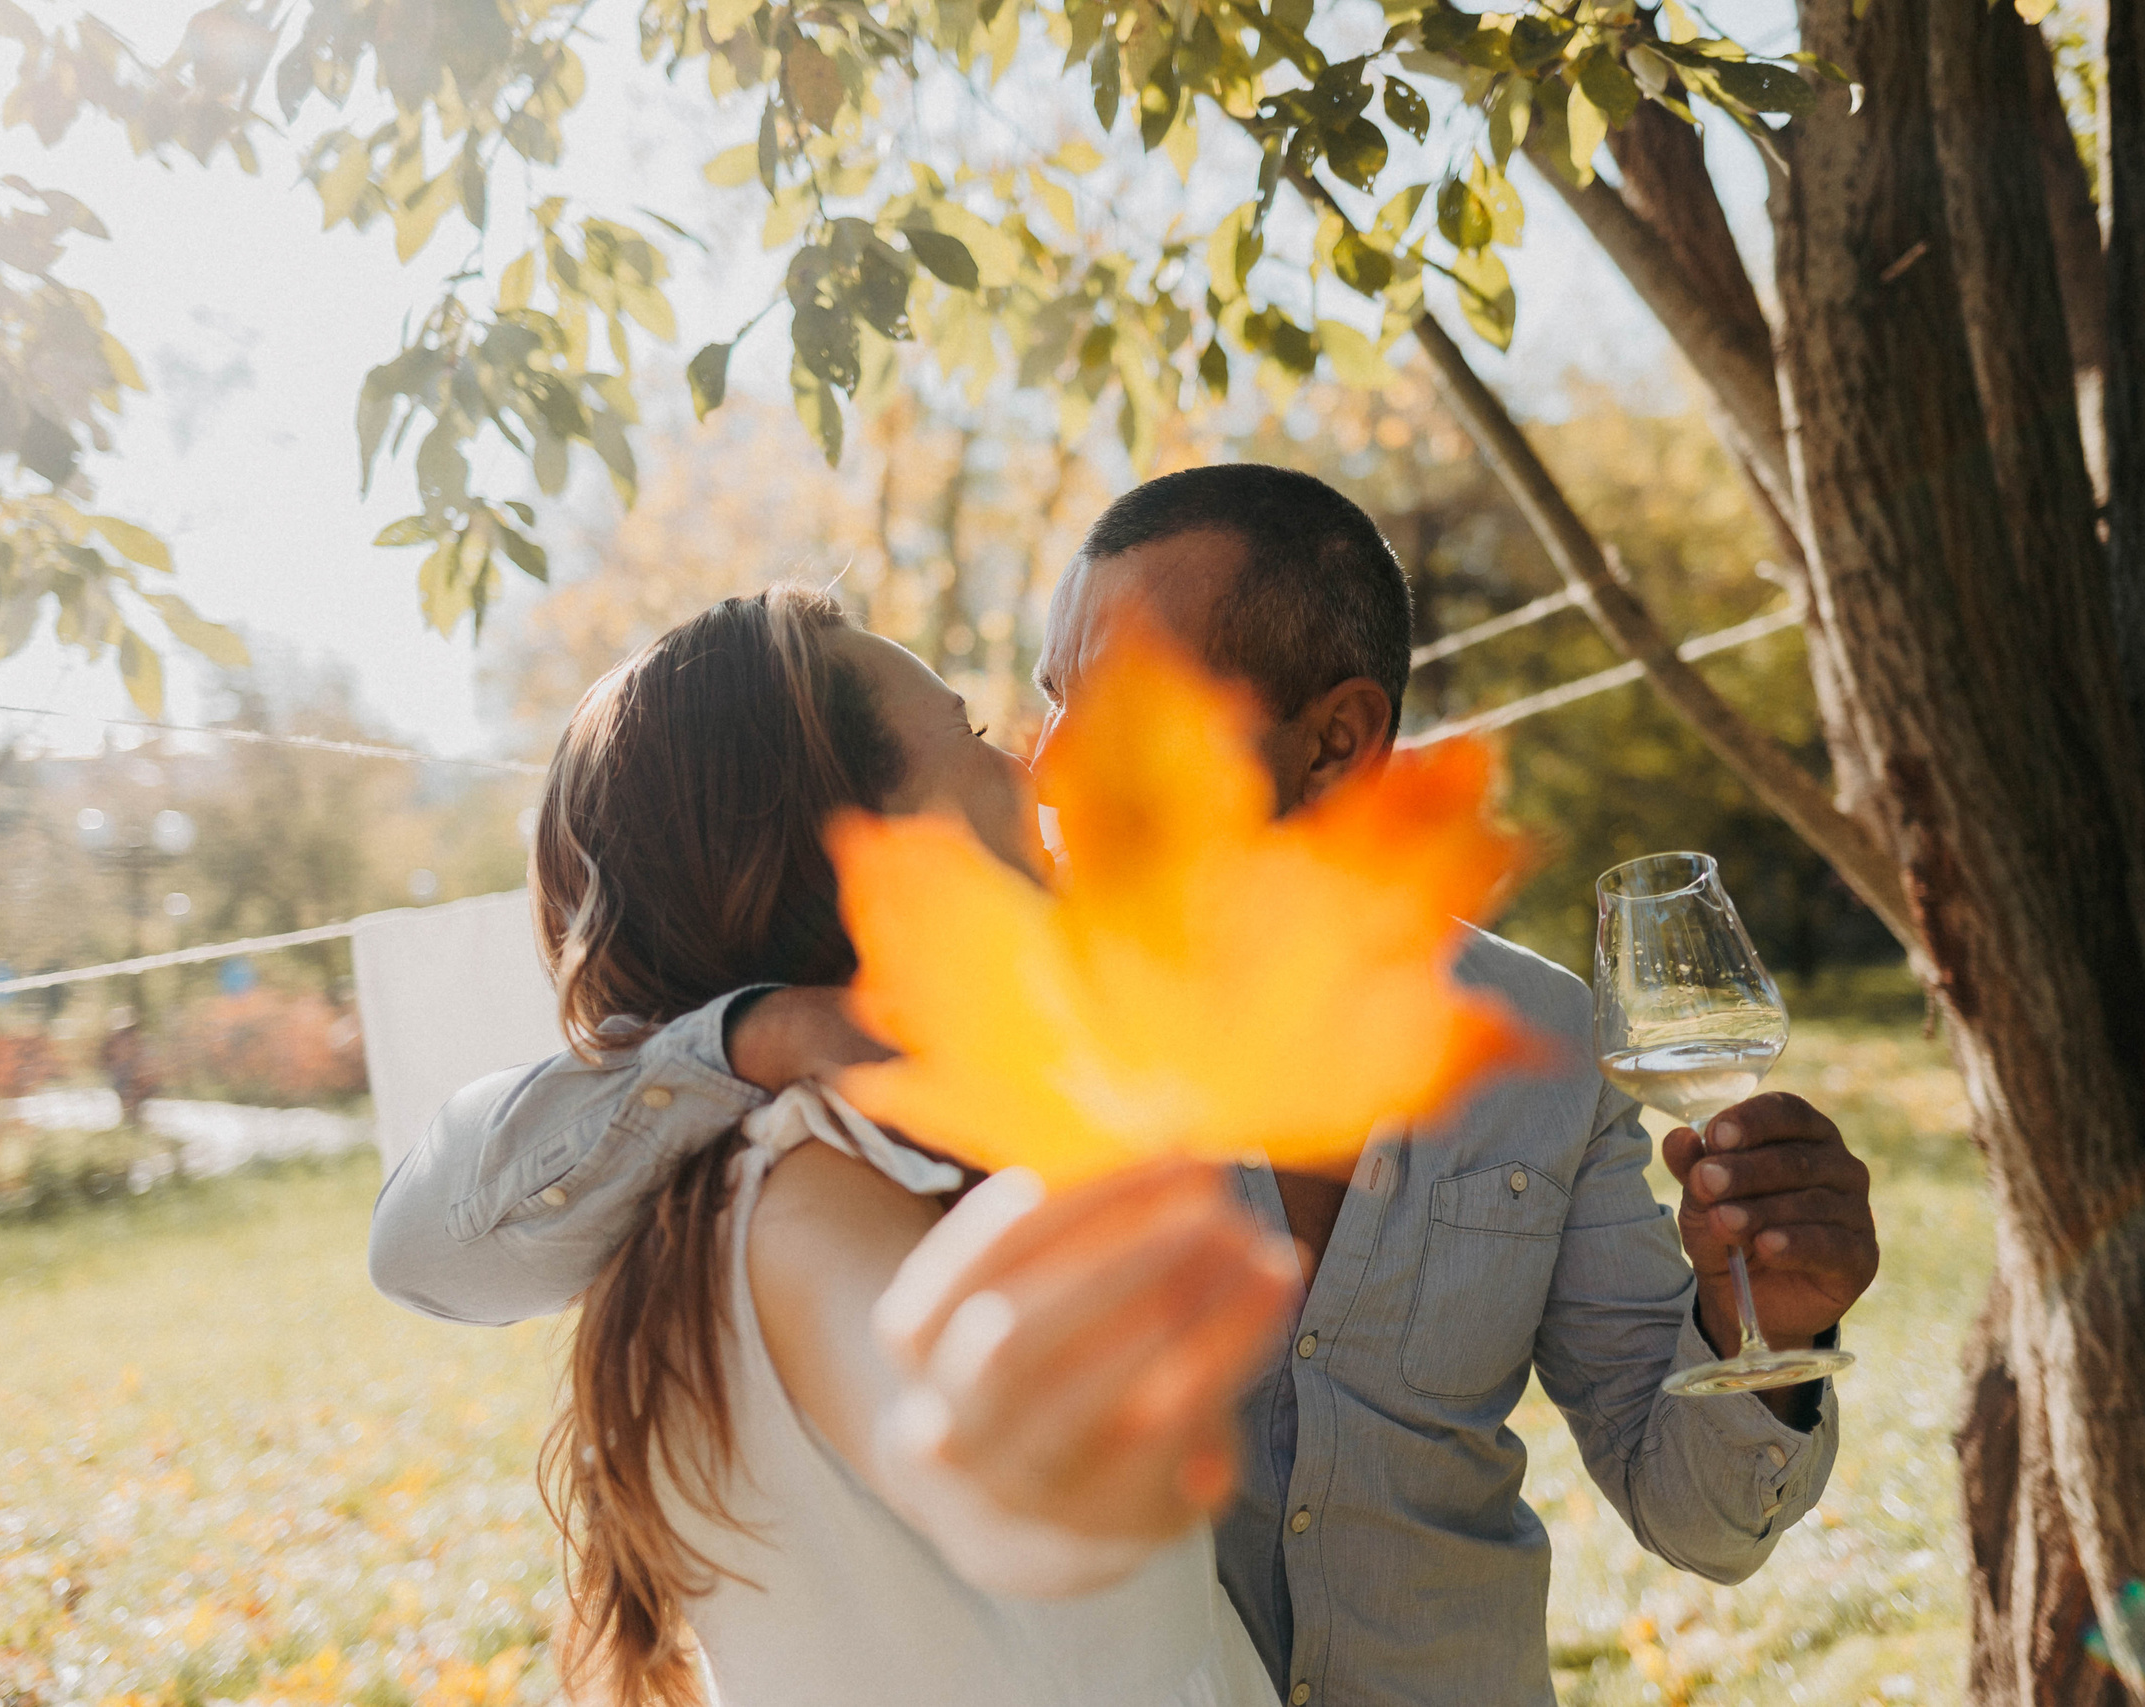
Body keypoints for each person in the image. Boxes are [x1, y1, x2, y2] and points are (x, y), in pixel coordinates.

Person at [371, 464, 1882, 1707]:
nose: (1050, 764)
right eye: (1039, 702)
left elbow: (1700, 1514)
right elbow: (447, 1236)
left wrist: (1776, 1330)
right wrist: (755, 1028)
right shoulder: (997, 1034)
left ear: (1338, 742)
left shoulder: (1537, 1040)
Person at [507, 589, 1289, 1707]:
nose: (1028, 776)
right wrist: (1024, 1477)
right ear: (860, 846)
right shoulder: (796, 1196)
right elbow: (939, 1428)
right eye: (971, 736)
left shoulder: (854, 1157)